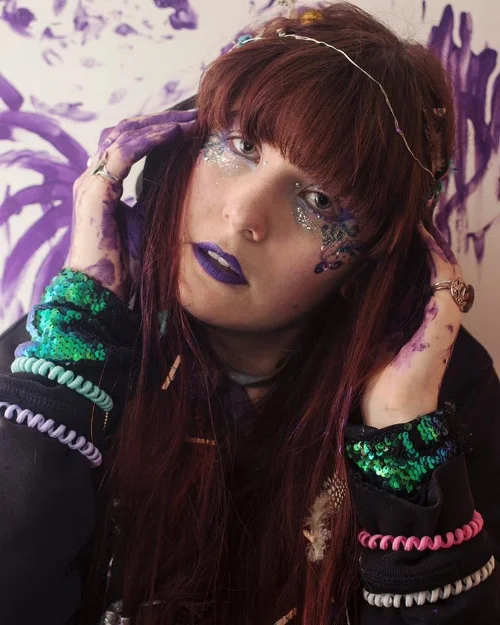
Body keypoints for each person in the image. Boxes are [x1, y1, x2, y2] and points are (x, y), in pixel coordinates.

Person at [0, 2, 498, 624]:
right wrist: (81, 321)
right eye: (240, 146)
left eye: (319, 200)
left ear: (372, 260)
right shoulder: (65, 349)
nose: (242, 215)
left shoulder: (447, 400)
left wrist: (402, 445)